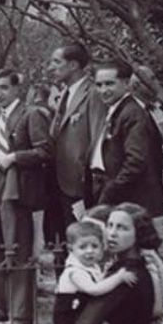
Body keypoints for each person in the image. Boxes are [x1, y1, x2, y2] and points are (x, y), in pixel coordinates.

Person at [0, 69, 50, 324]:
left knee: (17, 248)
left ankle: (21, 316)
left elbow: (45, 151)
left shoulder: (30, 114)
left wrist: (16, 158)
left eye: (3, 88)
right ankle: (2, 307)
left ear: (17, 89)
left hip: (16, 187)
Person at [71, 203, 159, 324]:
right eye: (110, 225)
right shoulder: (138, 269)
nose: (112, 233)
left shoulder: (125, 276)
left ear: (138, 234)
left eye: (122, 228)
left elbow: (88, 323)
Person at [47, 43, 106, 270]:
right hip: (58, 183)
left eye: (56, 62)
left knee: (85, 243)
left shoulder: (92, 94)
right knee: (65, 242)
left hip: (79, 186)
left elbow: (96, 139)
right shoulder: (64, 94)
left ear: (73, 65)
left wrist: (87, 185)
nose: (51, 67)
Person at [54, 221, 136, 324]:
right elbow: (94, 289)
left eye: (94, 246)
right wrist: (118, 277)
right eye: (83, 247)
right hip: (68, 316)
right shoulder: (74, 271)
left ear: (102, 247)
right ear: (71, 249)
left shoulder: (90, 266)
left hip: (80, 310)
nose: (89, 251)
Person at [87, 61, 163, 218]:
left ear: (126, 84)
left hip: (130, 199)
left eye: (109, 84)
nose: (103, 90)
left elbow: (136, 161)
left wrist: (111, 190)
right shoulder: (116, 110)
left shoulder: (132, 113)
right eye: (99, 85)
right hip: (112, 192)